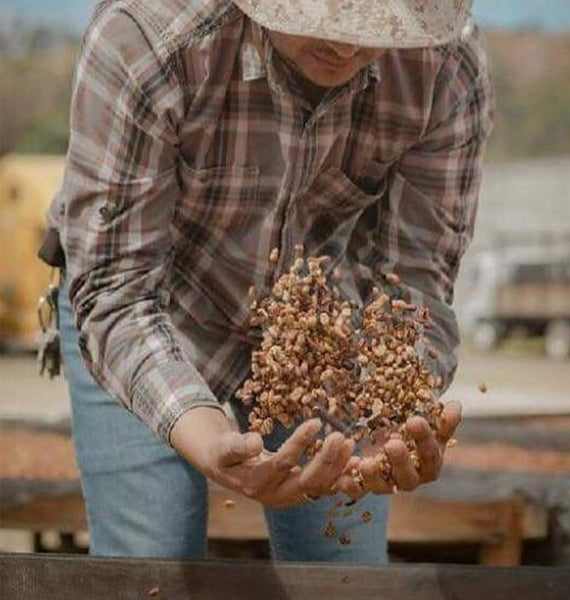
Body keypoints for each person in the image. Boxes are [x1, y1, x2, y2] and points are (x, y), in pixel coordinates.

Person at [40, 0, 494, 562]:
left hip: (322, 326)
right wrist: (204, 435)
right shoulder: (149, 37)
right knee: (152, 557)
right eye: (326, 19)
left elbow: (416, 281)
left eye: (372, 27)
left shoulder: (445, 65)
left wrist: (395, 410)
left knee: (341, 572)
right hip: (149, 306)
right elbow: (116, 289)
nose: (347, 47)